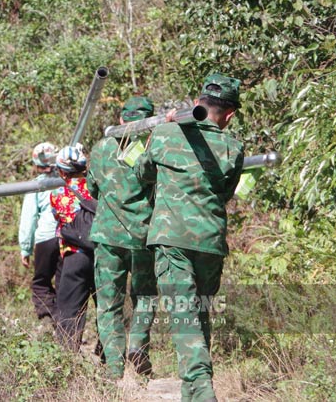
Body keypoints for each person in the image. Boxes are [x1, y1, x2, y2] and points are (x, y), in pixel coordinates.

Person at [135, 74, 244, 402]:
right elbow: (225, 192)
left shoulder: (167, 133)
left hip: (172, 241)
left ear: (198, 103)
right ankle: (194, 392)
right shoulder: (233, 147)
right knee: (198, 314)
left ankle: (201, 392)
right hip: (210, 243)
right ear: (229, 115)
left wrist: (166, 128)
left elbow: (142, 174)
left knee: (184, 316)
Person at [88, 97, 158, 380]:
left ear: (120, 120)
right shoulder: (155, 147)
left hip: (107, 236)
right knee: (145, 297)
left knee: (108, 303)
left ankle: (115, 367)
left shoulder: (101, 148)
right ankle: (138, 349)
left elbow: (93, 188)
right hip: (143, 236)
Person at [51, 144, 96, 350]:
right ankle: (110, 358)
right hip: (102, 253)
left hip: (75, 256)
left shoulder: (58, 193)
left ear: (61, 171)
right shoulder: (97, 187)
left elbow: (59, 217)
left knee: (69, 312)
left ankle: (68, 357)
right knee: (106, 309)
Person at [18, 142, 61, 323]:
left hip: (46, 238)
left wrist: (25, 249)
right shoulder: (65, 179)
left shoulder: (35, 186)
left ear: (36, 165)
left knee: (41, 283)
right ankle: (65, 321)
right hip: (70, 237)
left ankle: (47, 320)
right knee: (63, 284)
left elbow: (29, 218)